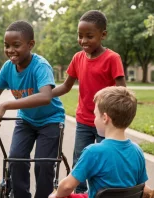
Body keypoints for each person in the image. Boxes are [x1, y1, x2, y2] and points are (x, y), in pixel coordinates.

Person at [0, 20, 65, 198]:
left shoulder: (40, 66)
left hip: (50, 120)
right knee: (15, 159)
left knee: (43, 164)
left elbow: (45, 96)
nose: (10, 50)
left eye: (16, 45)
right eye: (6, 46)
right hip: (26, 120)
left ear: (30, 45)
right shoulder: (8, 68)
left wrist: (6, 105)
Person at [52, 10, 126, 193]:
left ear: (103, 35)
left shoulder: (112, 58)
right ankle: (80, 194)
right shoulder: (78, 58)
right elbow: (66, 86)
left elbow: (122, 90)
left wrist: (105, 97)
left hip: (107, 122)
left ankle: (104, 193)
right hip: (84, 120)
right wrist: (45, 94)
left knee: (106, 160)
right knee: (80, 160)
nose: (83, 41)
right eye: (80, 36)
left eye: (89, 36)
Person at [49, 86, 149, 198]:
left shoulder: (93, 152)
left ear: (105, 118)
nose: (94, 119)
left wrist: (56, 195)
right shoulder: (137, 151)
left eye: (95, 115)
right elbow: (143, 188)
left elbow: (67, 186)